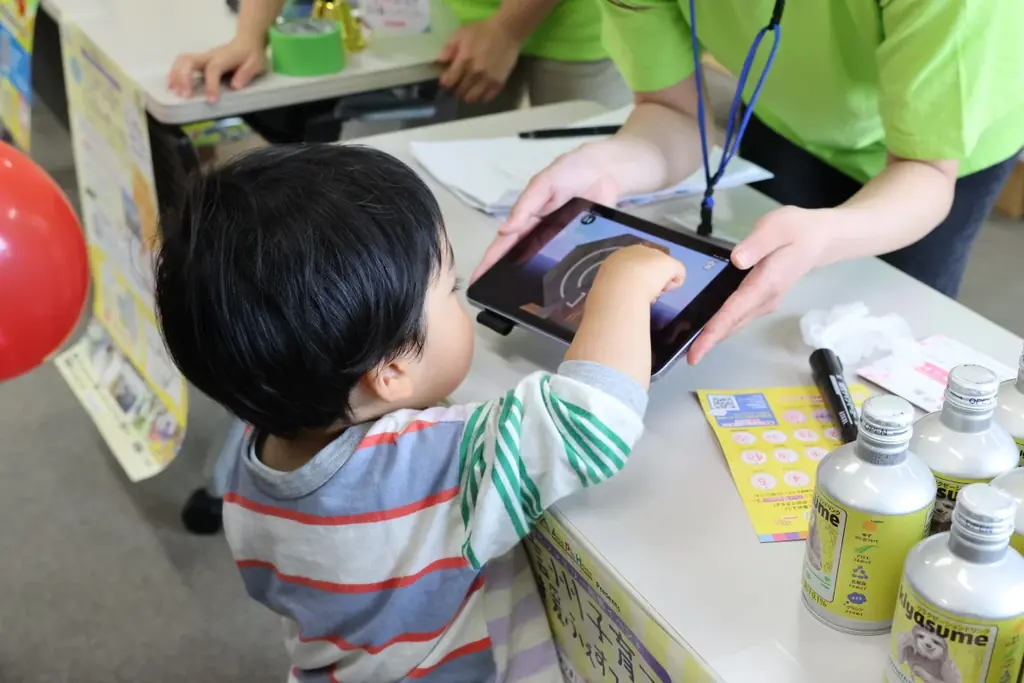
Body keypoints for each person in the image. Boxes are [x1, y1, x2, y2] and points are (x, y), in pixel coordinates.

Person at [154, 144, 685, 682]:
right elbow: (586, 424)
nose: (462, 299)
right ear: (390, 372)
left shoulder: (253, 464)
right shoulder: (429, 463)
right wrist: (621, 286)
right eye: (450, 288)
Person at [478, 0, 1024, 366]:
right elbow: (671, 111)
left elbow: (925, 173)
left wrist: (828, 234)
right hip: (784, 103)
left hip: (938, 149)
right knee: (760, 326)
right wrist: (609, 164)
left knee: (891, 350)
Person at [167, 0, 630, 111]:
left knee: (590, 194)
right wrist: (250, 35)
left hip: (584, 28)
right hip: (450, 24)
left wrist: (506, 30)